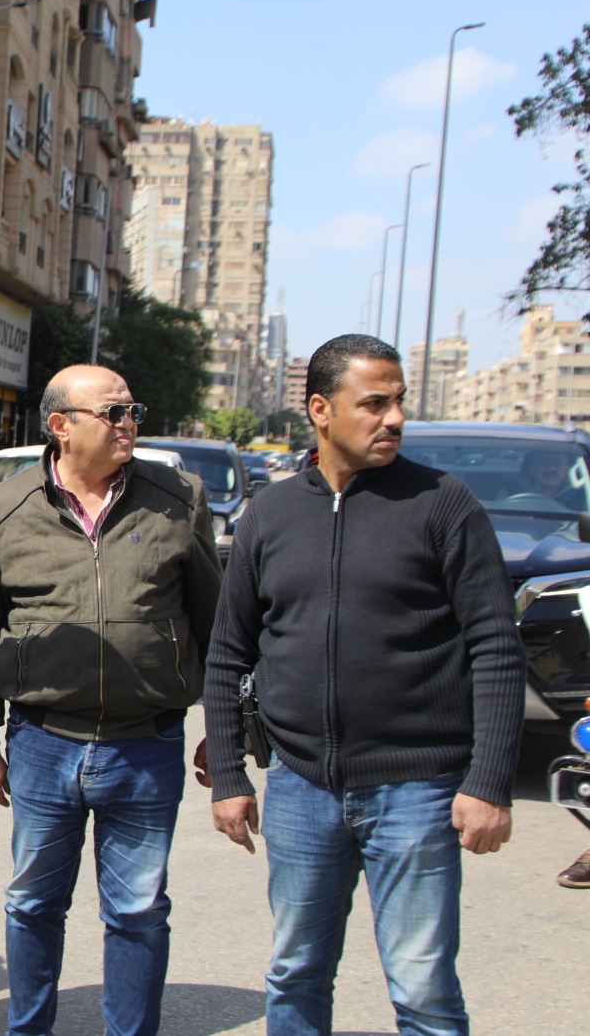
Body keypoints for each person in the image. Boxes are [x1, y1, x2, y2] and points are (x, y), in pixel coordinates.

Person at [203, 334, 526, 1035]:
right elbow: (228, 652)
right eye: (374, 403)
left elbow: (498, 648)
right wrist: (228, 774)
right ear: (321, 410)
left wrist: (489, 782)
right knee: (295, 974)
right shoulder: (270, 514)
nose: (394, 418)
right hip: (300, 788)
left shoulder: (443, 504)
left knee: (423, 988)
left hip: (417, 791)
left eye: (398, 402)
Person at [0, 364, 221, 1036]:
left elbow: (216, 625)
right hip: (43, 744)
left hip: (147, 744)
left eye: (133, 411)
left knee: (137, 911)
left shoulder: (178, 499)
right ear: (61, 426)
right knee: (33, 905)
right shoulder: (7, 508)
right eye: (113, 412)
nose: (129, 424)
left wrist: (226, 732)